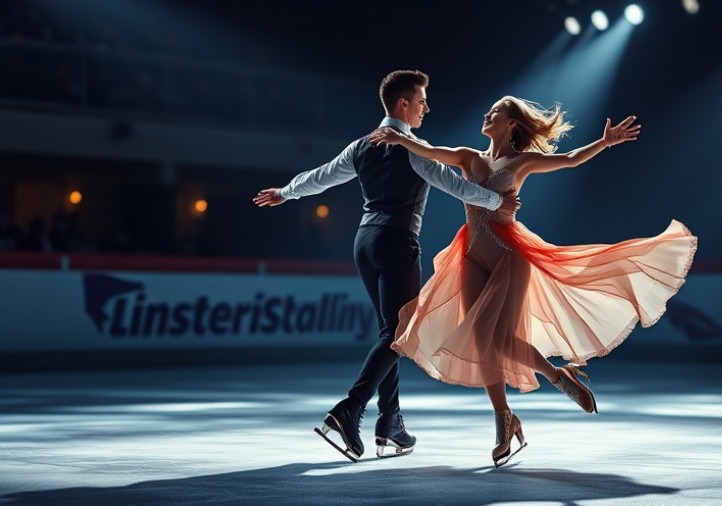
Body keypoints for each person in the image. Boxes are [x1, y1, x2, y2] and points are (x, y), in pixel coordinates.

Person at [369, 96, 697, 466]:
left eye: (495, 111)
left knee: (503, 339)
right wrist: (401, 139)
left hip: (510, 256)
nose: (486, 113)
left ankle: (559, 377)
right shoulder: (467, 157)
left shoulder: (521, 162)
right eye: (488, 109)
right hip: (471, 255)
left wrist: (605, 142)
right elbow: (430, 151)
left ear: (511, 123)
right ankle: (503, 420)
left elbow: (570, 160)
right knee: (480, 340)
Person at [253, 70, 519, 462]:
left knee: (390, 333)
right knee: (400, 331)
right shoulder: (412, 147)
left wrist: (286, 192)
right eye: (422, 100)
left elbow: (322, 177)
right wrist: (499, 203)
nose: (427, 107)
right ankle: (350, 408)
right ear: (403, 104)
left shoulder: (361, 146)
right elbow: (454, 183)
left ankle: (390, 422)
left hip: (365, 243)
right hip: (396, 241)